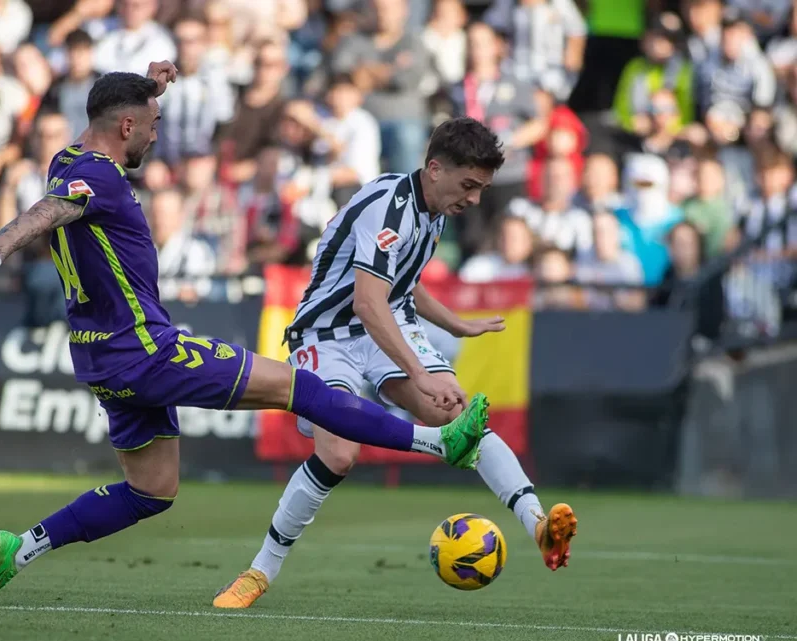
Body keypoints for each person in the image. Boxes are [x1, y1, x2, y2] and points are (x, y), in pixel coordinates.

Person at [0, 63, 491, 607]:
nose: (159, 134)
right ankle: (438, 442)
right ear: (128, 128)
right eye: (153, 124)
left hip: (100, 359)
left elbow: (102, 136)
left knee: (151, 491)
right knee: (300, 388)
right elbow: (46, 212)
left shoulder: (67, 158)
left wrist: (151, 91)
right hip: (146, 350)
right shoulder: (103, 178)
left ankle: (18, 550)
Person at [211, 117, 578, 609]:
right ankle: (261, 570)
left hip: (390, 320)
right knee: (338, 454)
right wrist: (421, 372)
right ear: (434, 169)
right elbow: (368, 302)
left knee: (455, 410)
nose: (473, 198)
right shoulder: (389, 207)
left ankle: (537, 524)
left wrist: (454, 324)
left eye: (482, 189)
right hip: (328, 333)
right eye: (468, 185)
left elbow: (405, 284)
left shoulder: (435, 207)